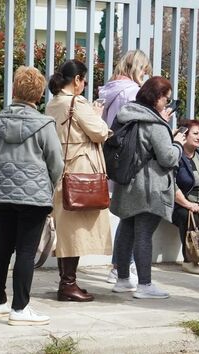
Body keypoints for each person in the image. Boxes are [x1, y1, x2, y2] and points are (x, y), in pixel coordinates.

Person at [0, 66, 63, 325]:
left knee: (2, 246)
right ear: (39, 95)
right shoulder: (44, 124)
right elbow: (56, 162)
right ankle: (20, 308)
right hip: (33, 195)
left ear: (14, 89)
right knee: (25, 251)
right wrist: (49, 187)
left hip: (1, 192)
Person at [110, 76, 186, 299]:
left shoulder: (127, 115)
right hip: (150, 186)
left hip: (127, 182)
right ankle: (145, 285)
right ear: (156, 98)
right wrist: (178, 144)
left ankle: (122, 279)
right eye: (166, 98)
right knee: (144, 235)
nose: (167, 103)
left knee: (126, 230)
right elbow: (168, 158)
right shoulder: (155, 124)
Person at [45, 59, 112, 302]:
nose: (84, 84)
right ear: (76, 80)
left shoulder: (52, 104)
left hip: (60, 171)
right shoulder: (77, 102)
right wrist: (97, 115)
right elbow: (100, 132)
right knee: (74, 231)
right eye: (83, 80)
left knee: (66, 229)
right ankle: (68, 284)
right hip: (82, 171)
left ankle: (68, 282)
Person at [98, 49, 151, 284]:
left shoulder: (111, 89)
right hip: (129, 158)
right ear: (136, 68)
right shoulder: (131, 92)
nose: (146, 76)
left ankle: (120, 264)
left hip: (112, 155)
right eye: (144, 70)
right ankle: (120, 265)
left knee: (126, 214)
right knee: (130, 214)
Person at [172, 119, 199, 275]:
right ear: (184, 135)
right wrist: (187, 204)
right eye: (195, 133)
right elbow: (171, 184)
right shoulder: (176, 154)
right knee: (189, 217)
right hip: (180, 204)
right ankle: (189, 260)